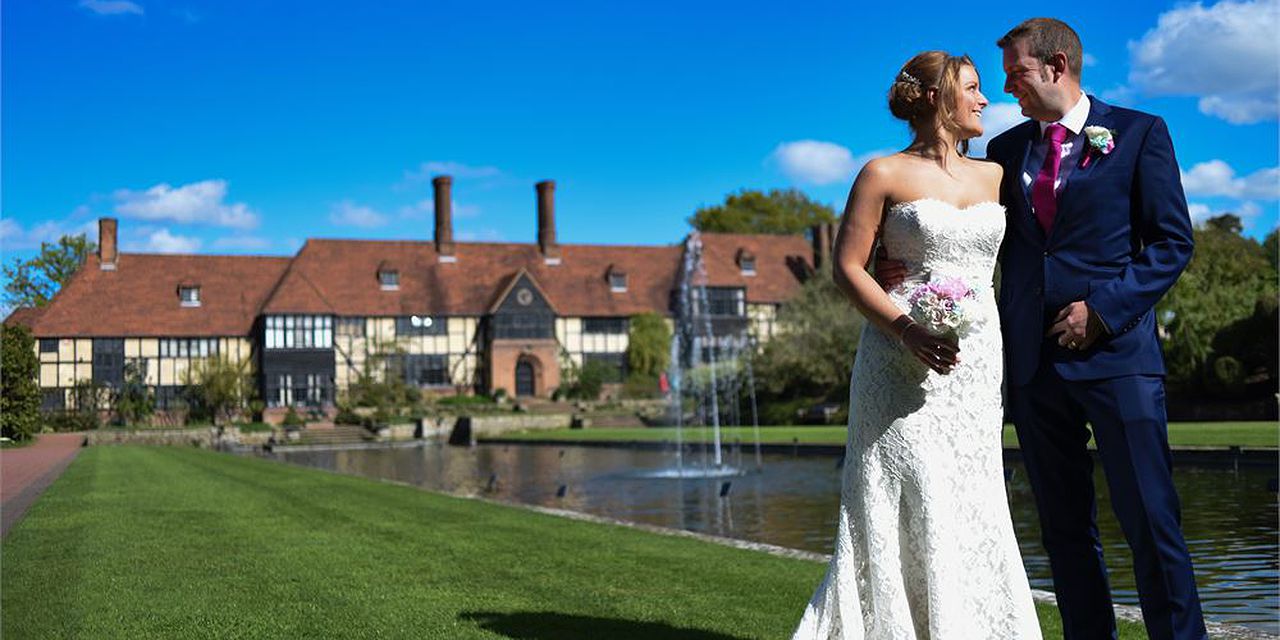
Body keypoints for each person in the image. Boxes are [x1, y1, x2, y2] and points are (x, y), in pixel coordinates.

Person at [877, 18, 1207, 640]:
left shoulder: (1140, 134)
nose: (1007, 90)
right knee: (1063, 530)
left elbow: (1170, 244)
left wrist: (1103, 312)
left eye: (1017, 74)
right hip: (1031, 366)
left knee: (1151, 522)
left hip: (1119, 359)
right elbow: (951, 227)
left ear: (1057, 67)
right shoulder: (1002, 153)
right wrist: (897, 263)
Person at [791, 51, 1041, 639]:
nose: (985, 100)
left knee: (970, 490)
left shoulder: (996, 175)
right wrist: (905, 327)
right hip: (897, 357)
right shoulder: (883, 173)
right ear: (935, 96)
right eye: (974, 88)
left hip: (977, 361)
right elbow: (848, 268)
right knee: (903, 490)